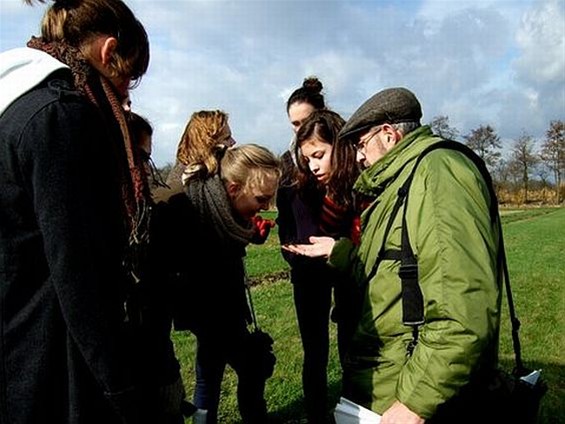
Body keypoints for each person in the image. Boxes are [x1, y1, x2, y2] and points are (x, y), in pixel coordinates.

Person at [284, 87, 502, 423]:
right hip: (389, 378)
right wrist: (341, 252)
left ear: (388, 136)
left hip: (408, 388)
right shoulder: (401, 183)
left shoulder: (438, 173)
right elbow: (388, 266)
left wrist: (415, 402)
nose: (357, 157)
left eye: (360, 146)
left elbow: (463, 308)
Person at [0, 0, 154, 423]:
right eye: (128, 79)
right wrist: (122, 388)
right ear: (108, 52)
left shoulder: (12, 108)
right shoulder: (61, 117)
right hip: (56, 370)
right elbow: (79, 271)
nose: (124, 98)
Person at [160, 143, 281, 423]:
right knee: (251, 366)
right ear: (233, 189)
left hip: (224, 308)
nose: (265, 206)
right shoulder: (193, 213)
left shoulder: (223, 211)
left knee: (210, 373)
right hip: (209, 311)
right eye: (261, 198)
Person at [278, 107, 360, 423]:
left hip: (347, 270)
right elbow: (287, 219)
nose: (312, 166)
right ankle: (317, 415)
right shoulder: (295, 173)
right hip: (308, 272)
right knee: (315, 354)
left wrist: (340, 250)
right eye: (307, 157)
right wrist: (292, 253)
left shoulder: (357, 180)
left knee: (351, 348)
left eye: (318, 155)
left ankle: (353, 410)